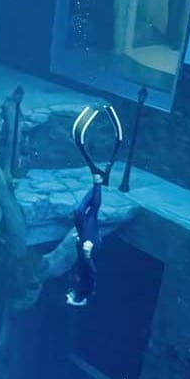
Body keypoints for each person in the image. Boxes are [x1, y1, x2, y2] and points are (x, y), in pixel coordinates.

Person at [66, 104, 123, 308]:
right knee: (82, 212)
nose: (67, 294)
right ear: (76, 298)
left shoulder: (76, 285)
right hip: (91, 244)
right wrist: (88, 254)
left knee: (81, 212)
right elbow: (91, 272)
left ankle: (97, 182)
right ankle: (97, 183)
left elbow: (79, 264)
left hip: (84, 243)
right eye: (69, 297)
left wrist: (77, 245)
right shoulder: (86, 288)